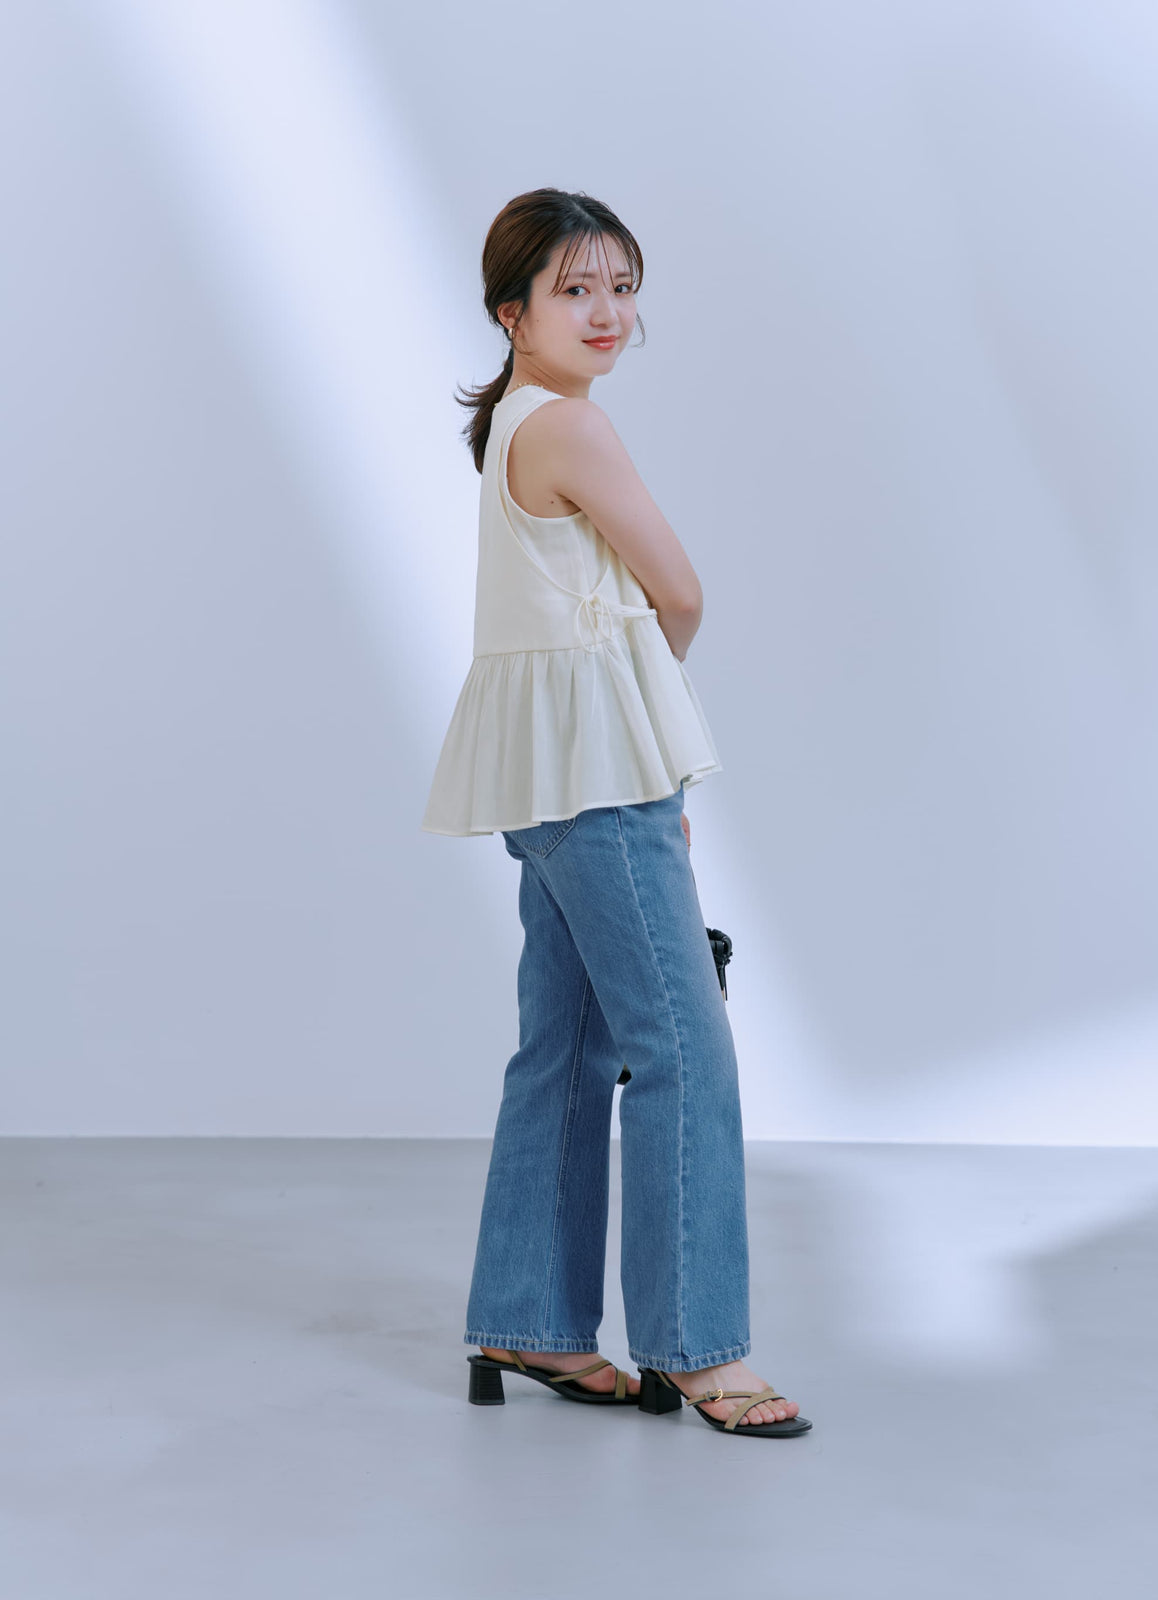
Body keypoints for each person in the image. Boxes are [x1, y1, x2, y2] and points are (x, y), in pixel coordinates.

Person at [421, 188, 810, 1437]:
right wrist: (652, 752)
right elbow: (679, 593)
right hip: (598, 778)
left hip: (544, 782)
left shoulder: (515, 424)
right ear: (512, 312)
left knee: (567, 1046)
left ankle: (528, 1317)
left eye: (623, 289)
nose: (607, 313)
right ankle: (700, 1350)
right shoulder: (571, 429)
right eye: (576, 289)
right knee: (683, 1048)